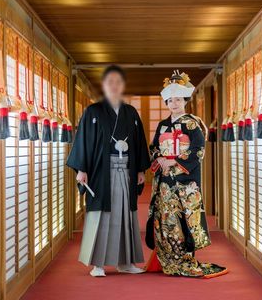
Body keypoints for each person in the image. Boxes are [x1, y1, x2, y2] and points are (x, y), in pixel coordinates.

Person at [67, 65, 150, 277]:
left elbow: (139, 142)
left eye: (118, 82)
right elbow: (84, 141)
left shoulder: (131, 113)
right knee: (101, 215)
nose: (114, 85)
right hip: (101, 172)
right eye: (110, 82)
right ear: (104, 85)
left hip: (126, 172)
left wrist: (141, 170)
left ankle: (126, 262)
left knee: (125, 215)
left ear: (122, 86)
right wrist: (81, 169)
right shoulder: (93, 111)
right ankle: (98, 265)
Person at [144, 71, 227, 278]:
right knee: (165, 217)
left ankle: (184, 258)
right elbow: (154, 147)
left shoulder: (191, 124)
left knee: (184, 218)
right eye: (170, 100)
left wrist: (174, 160)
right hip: (165, 178)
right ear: (166, 102)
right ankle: (168, 258)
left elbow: (198, 149)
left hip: (184, 179)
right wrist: (160, 158)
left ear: (185, 101)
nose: (174, 104)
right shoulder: (163, 125)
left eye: (178, 100)